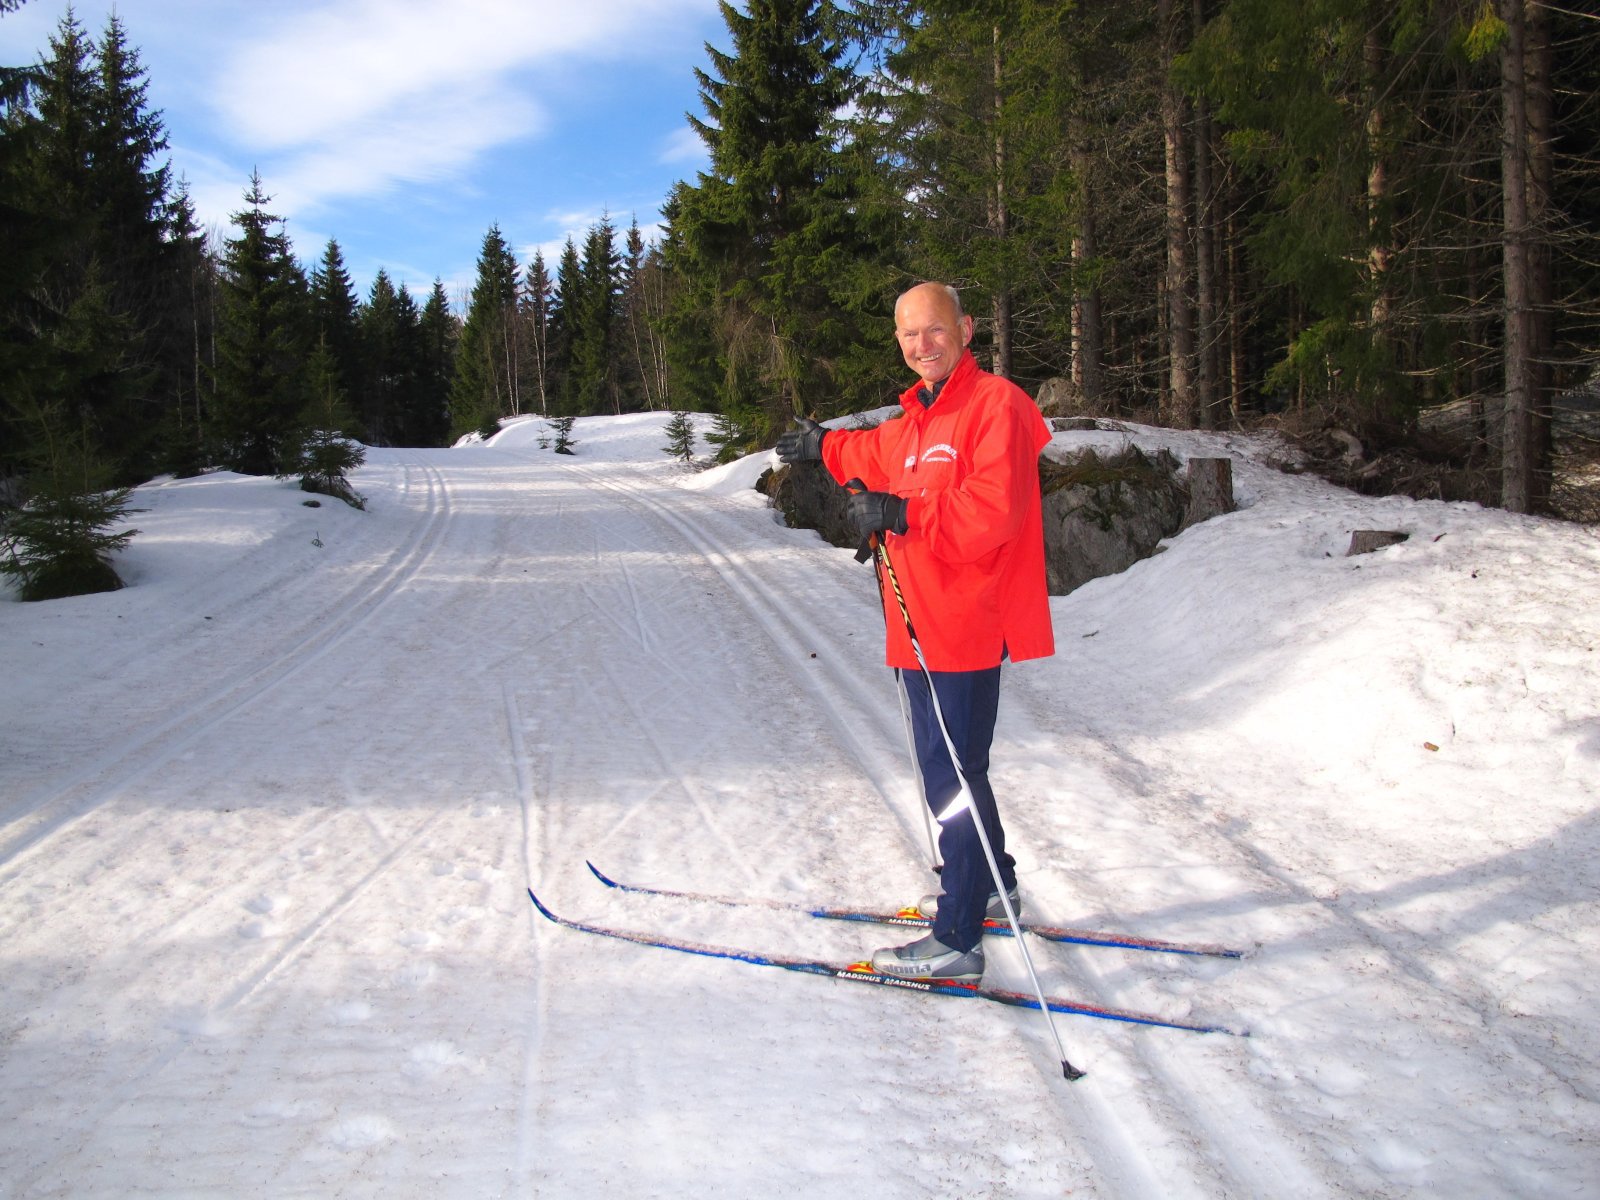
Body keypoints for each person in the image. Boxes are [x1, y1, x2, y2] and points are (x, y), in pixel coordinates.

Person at [775, 281, 1055, 982]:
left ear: (965, 328)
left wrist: (904, 515)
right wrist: (820, 447)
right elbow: (867, 451)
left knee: (951, 777)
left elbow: (993, 511)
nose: (921, 344)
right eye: (908, 335)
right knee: (957, 768)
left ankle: (959, 937)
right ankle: (993, 885)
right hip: (915, 623)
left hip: (965, 620)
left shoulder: (998, 408)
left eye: (933, 329)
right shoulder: (915, 420)